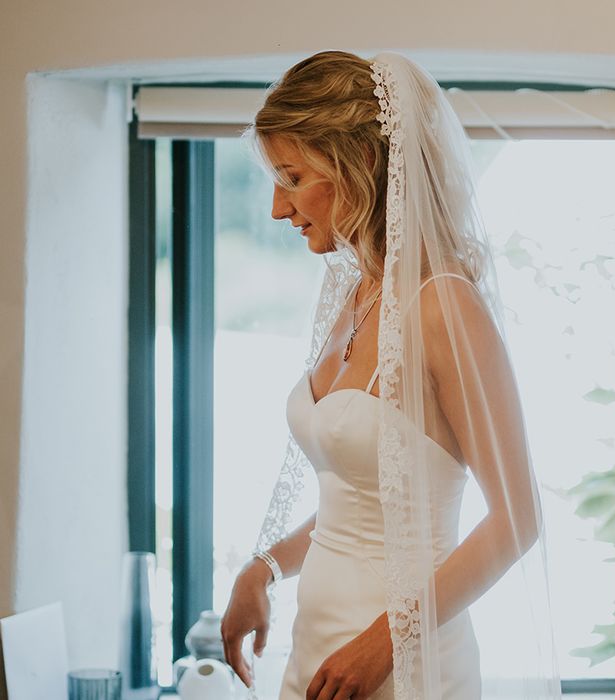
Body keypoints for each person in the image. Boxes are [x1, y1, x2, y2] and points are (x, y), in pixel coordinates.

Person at [221, 50, 562, 700]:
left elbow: (517, 520)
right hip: (318, 658)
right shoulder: (354, 296)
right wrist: (262, 571)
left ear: (363, 164)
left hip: (406, 671)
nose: (274, 206)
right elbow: (363, 509)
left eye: (292, 176)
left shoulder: (444, 307)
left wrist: (387, 642)